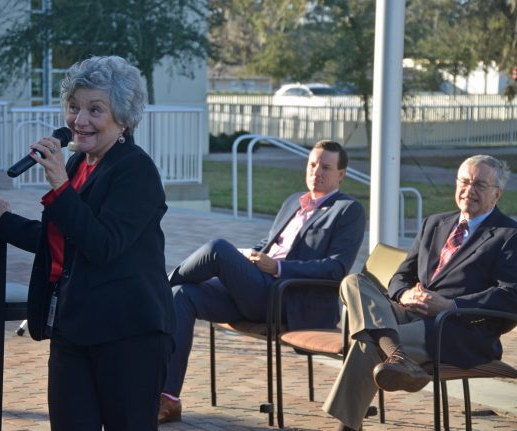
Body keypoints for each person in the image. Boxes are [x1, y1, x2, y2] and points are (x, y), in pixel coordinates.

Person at [0, 56, 175, 431]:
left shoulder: (136, 170)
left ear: (123, 119)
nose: (79, 121)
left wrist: (60, 188)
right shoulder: (78, 164)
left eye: (95, 110)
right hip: (74, 325)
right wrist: (4, 221)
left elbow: (102, 244)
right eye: (74, 107)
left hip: (129, 333)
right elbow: (63, 241)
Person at [158, 140, 366, 423]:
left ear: (341, 174)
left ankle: (157, 285)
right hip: (256, 289)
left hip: (285, 298)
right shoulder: (294, 200)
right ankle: (168, 398)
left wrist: (278, 267)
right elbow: (268, 244)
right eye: (312, 164)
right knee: (183, 294)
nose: (316, 172)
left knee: (218, 248)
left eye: (326, 167)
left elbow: (335, 268)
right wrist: (250, 256)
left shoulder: (347, 210)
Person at [323, 155, 517, 431]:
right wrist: (403, 295)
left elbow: (510, 297)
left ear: (497, 193)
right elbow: (401, 276)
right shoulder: (434, 223)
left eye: (479, 185)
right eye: (464, 182)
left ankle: (349, 424)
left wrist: (450, 305)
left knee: (367, 342)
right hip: (407, 313)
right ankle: (399, 356)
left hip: (452, 328)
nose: (468, 190)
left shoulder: (509, 235)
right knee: (353, 282)